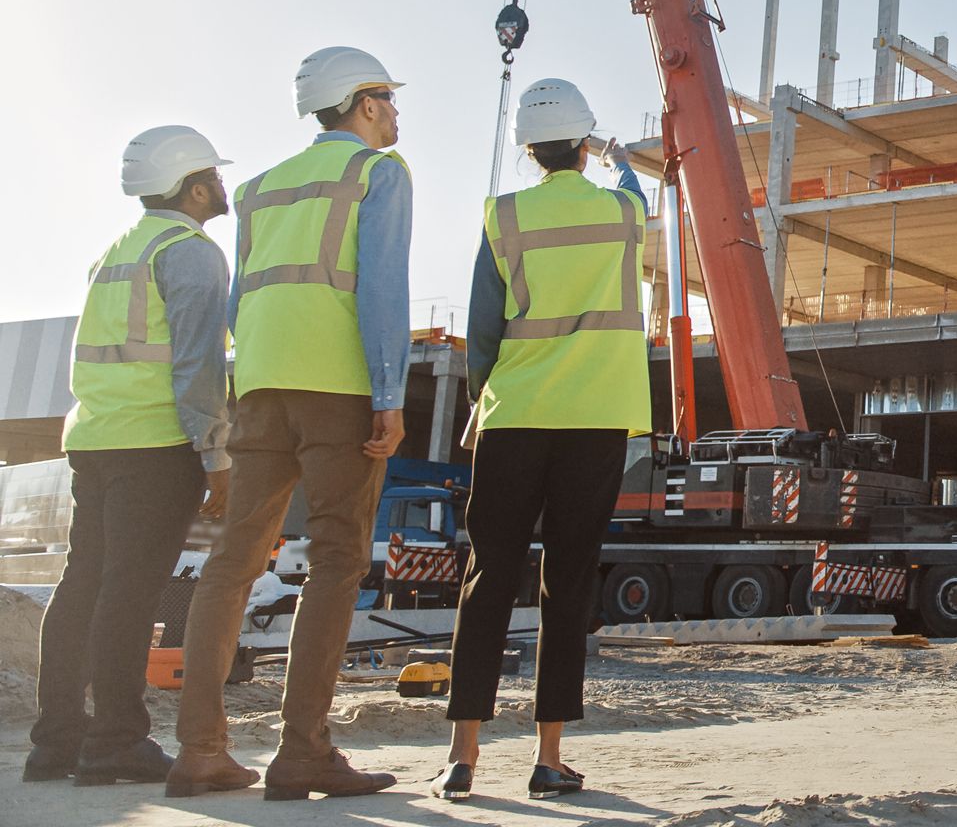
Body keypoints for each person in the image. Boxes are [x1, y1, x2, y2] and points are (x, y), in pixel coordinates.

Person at [168, 47, 411, 801]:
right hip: (337, 388)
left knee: (233, 563)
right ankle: (302, 750)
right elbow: (381, 290)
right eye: (390, 100)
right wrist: (389, 393)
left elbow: (244, 298)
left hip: (262, 388)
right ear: (364, 105)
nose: (397, 114)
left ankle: (200, 750)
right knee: (338, 559)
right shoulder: (378, 174)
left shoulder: (259, 187)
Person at [432, 79, 651, 802]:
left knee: (488, 578)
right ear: (582, 146)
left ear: (529, 149)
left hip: (515, 415)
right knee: (567, 581)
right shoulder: (620, 211)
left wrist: (480, 401)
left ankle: (462, 755)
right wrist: (617, 157)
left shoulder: (503, 217)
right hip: (594, 419)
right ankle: (548, 757)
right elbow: (640, 194)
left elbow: (484, 328)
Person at [24, 128, 235, 787]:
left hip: (95, 439)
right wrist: (215, 452)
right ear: (195, 186)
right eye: (214, 175)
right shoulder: (191, 254)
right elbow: (198, 365)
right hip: (155, 443)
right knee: (130, 593)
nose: (222, 186)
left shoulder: (114, 252)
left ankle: (56, 743)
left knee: (81, 585)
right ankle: (116, 739)